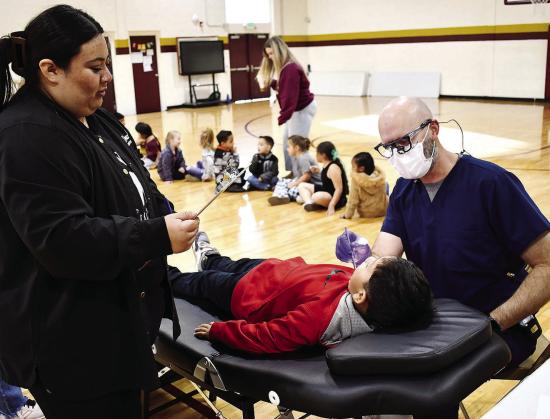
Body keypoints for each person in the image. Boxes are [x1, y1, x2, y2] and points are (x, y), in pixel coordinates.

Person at [0, 5, 199, 418]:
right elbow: (62, 240)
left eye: (106, 63)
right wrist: (156, 235)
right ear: (50, 70)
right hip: (70, 348)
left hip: (113, 331)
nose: (108, 76)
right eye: (95, 67)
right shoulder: (26, 134)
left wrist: (161, 211)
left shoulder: (95, 119)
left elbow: (133, 185)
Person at [371, 96, 550, 370]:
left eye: (404, 143)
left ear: (433, 129)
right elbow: (384, 256)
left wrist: (494, 321)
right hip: (435, 324)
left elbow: (547, 264)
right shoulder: (404, 190)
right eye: (389, 148)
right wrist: (366, 261)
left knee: (428, 385)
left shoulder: (490, 184)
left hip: (497, 327)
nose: (398, 154)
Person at [169, 232, 433, 354]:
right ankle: (210, 257)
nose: (365, 263)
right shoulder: (364, 296)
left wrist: (220, 331)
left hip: (247, 295)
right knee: (225, 264)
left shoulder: (318, 318)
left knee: (202, 283)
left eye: (369, 266)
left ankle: (166, 276)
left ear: (361, 296)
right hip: (273, 270)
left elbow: (267, 336)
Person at [256, 36, 316, 173]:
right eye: (268, 54)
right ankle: (293, 173)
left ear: (279, 51)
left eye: (272, 53)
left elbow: (290, 97)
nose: (270, 57)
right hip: (296, 110)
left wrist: (283, 117)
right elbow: (284, 87)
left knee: (296, 147)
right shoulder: (286, 67)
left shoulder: (290, 69)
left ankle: (303, 176)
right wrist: (271, 83)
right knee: (287, 144)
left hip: (301, 110)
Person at [298, 141, 348, 215]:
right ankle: (309, 203)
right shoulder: (327, 163)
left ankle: (311, 200)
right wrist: (318, 171)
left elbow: (339, 189)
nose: (316, 155)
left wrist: (332, 205)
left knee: (315, 197)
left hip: (336, 198)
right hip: (326, 190)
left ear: (323, 155)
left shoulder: (333, 167)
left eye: (317, 153)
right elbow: (328, 178)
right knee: (302, 185)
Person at [268, 135, 321, 205]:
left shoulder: (303, 158)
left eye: (289, 147)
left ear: (297, 148)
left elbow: (306, 176)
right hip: (306, 183)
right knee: (283, 182)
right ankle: (281, 195)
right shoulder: (297, 157)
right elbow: (297, 174)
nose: (287, 149)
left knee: (289, 189)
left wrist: (294, 184)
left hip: (313, 185)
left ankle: (282, 196)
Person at [341, 152, 389, 219]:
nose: (352, 168)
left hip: (366, 213)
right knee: (386, 185)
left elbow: (353, 201)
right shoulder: (380, 177)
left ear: (361, 169)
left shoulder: (357, 180)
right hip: (383, 211)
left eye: (353, 166)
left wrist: (347, 215)